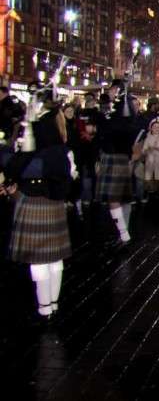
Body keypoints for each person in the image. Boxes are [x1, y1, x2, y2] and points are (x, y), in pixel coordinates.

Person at [1, 93, 74, 322]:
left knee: (40, 260)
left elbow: (15, 167)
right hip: (54, 206)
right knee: (54, 259)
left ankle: (45, 309)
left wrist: (21, 143)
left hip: (35, 204)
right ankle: (52, 304)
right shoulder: (62, 151)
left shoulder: (39, 154)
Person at [95, 80, 139, 243]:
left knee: (115, 199)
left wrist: (104, 117)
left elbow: (113, 130)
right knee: (118, 199)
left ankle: (123, 233)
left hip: (115, 156)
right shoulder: (120, 108)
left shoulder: (121, 109)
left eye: (112, 89)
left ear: (117, 90)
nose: (110, 92)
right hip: (116, 156)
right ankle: (121, 231)